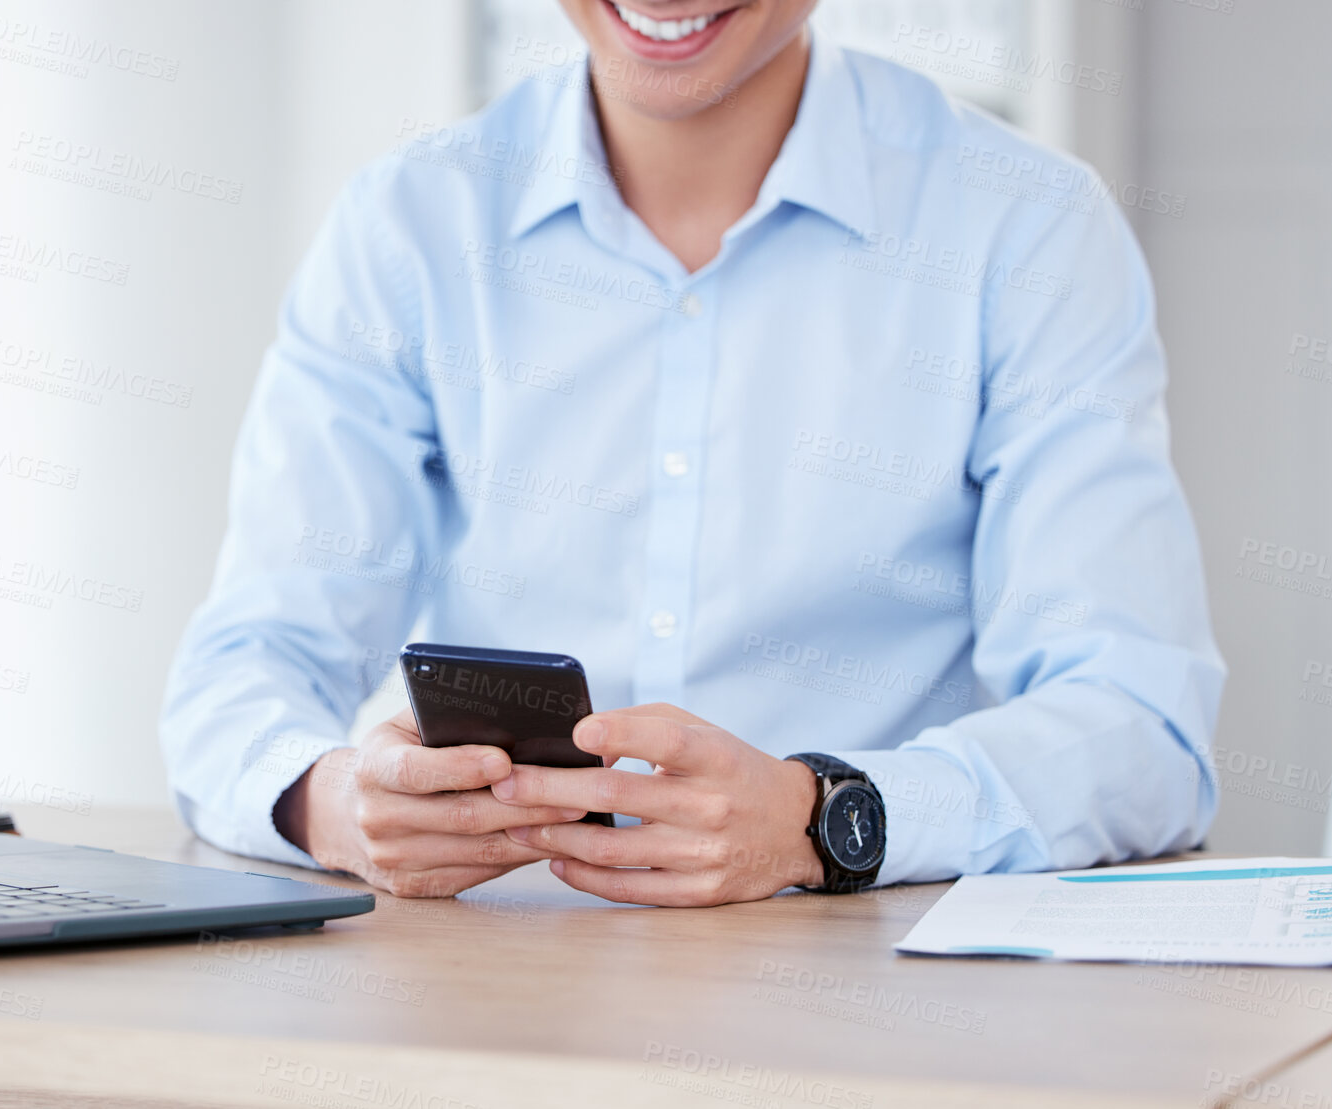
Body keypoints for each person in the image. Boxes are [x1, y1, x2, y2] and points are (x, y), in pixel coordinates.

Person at [159, 0, 1224, 905]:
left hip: (873, 982)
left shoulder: (1027, 226)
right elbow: (245, 665)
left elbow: (1144, 728)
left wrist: (824, 815)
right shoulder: (410, 225)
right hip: (498, 977)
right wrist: (326, 796)